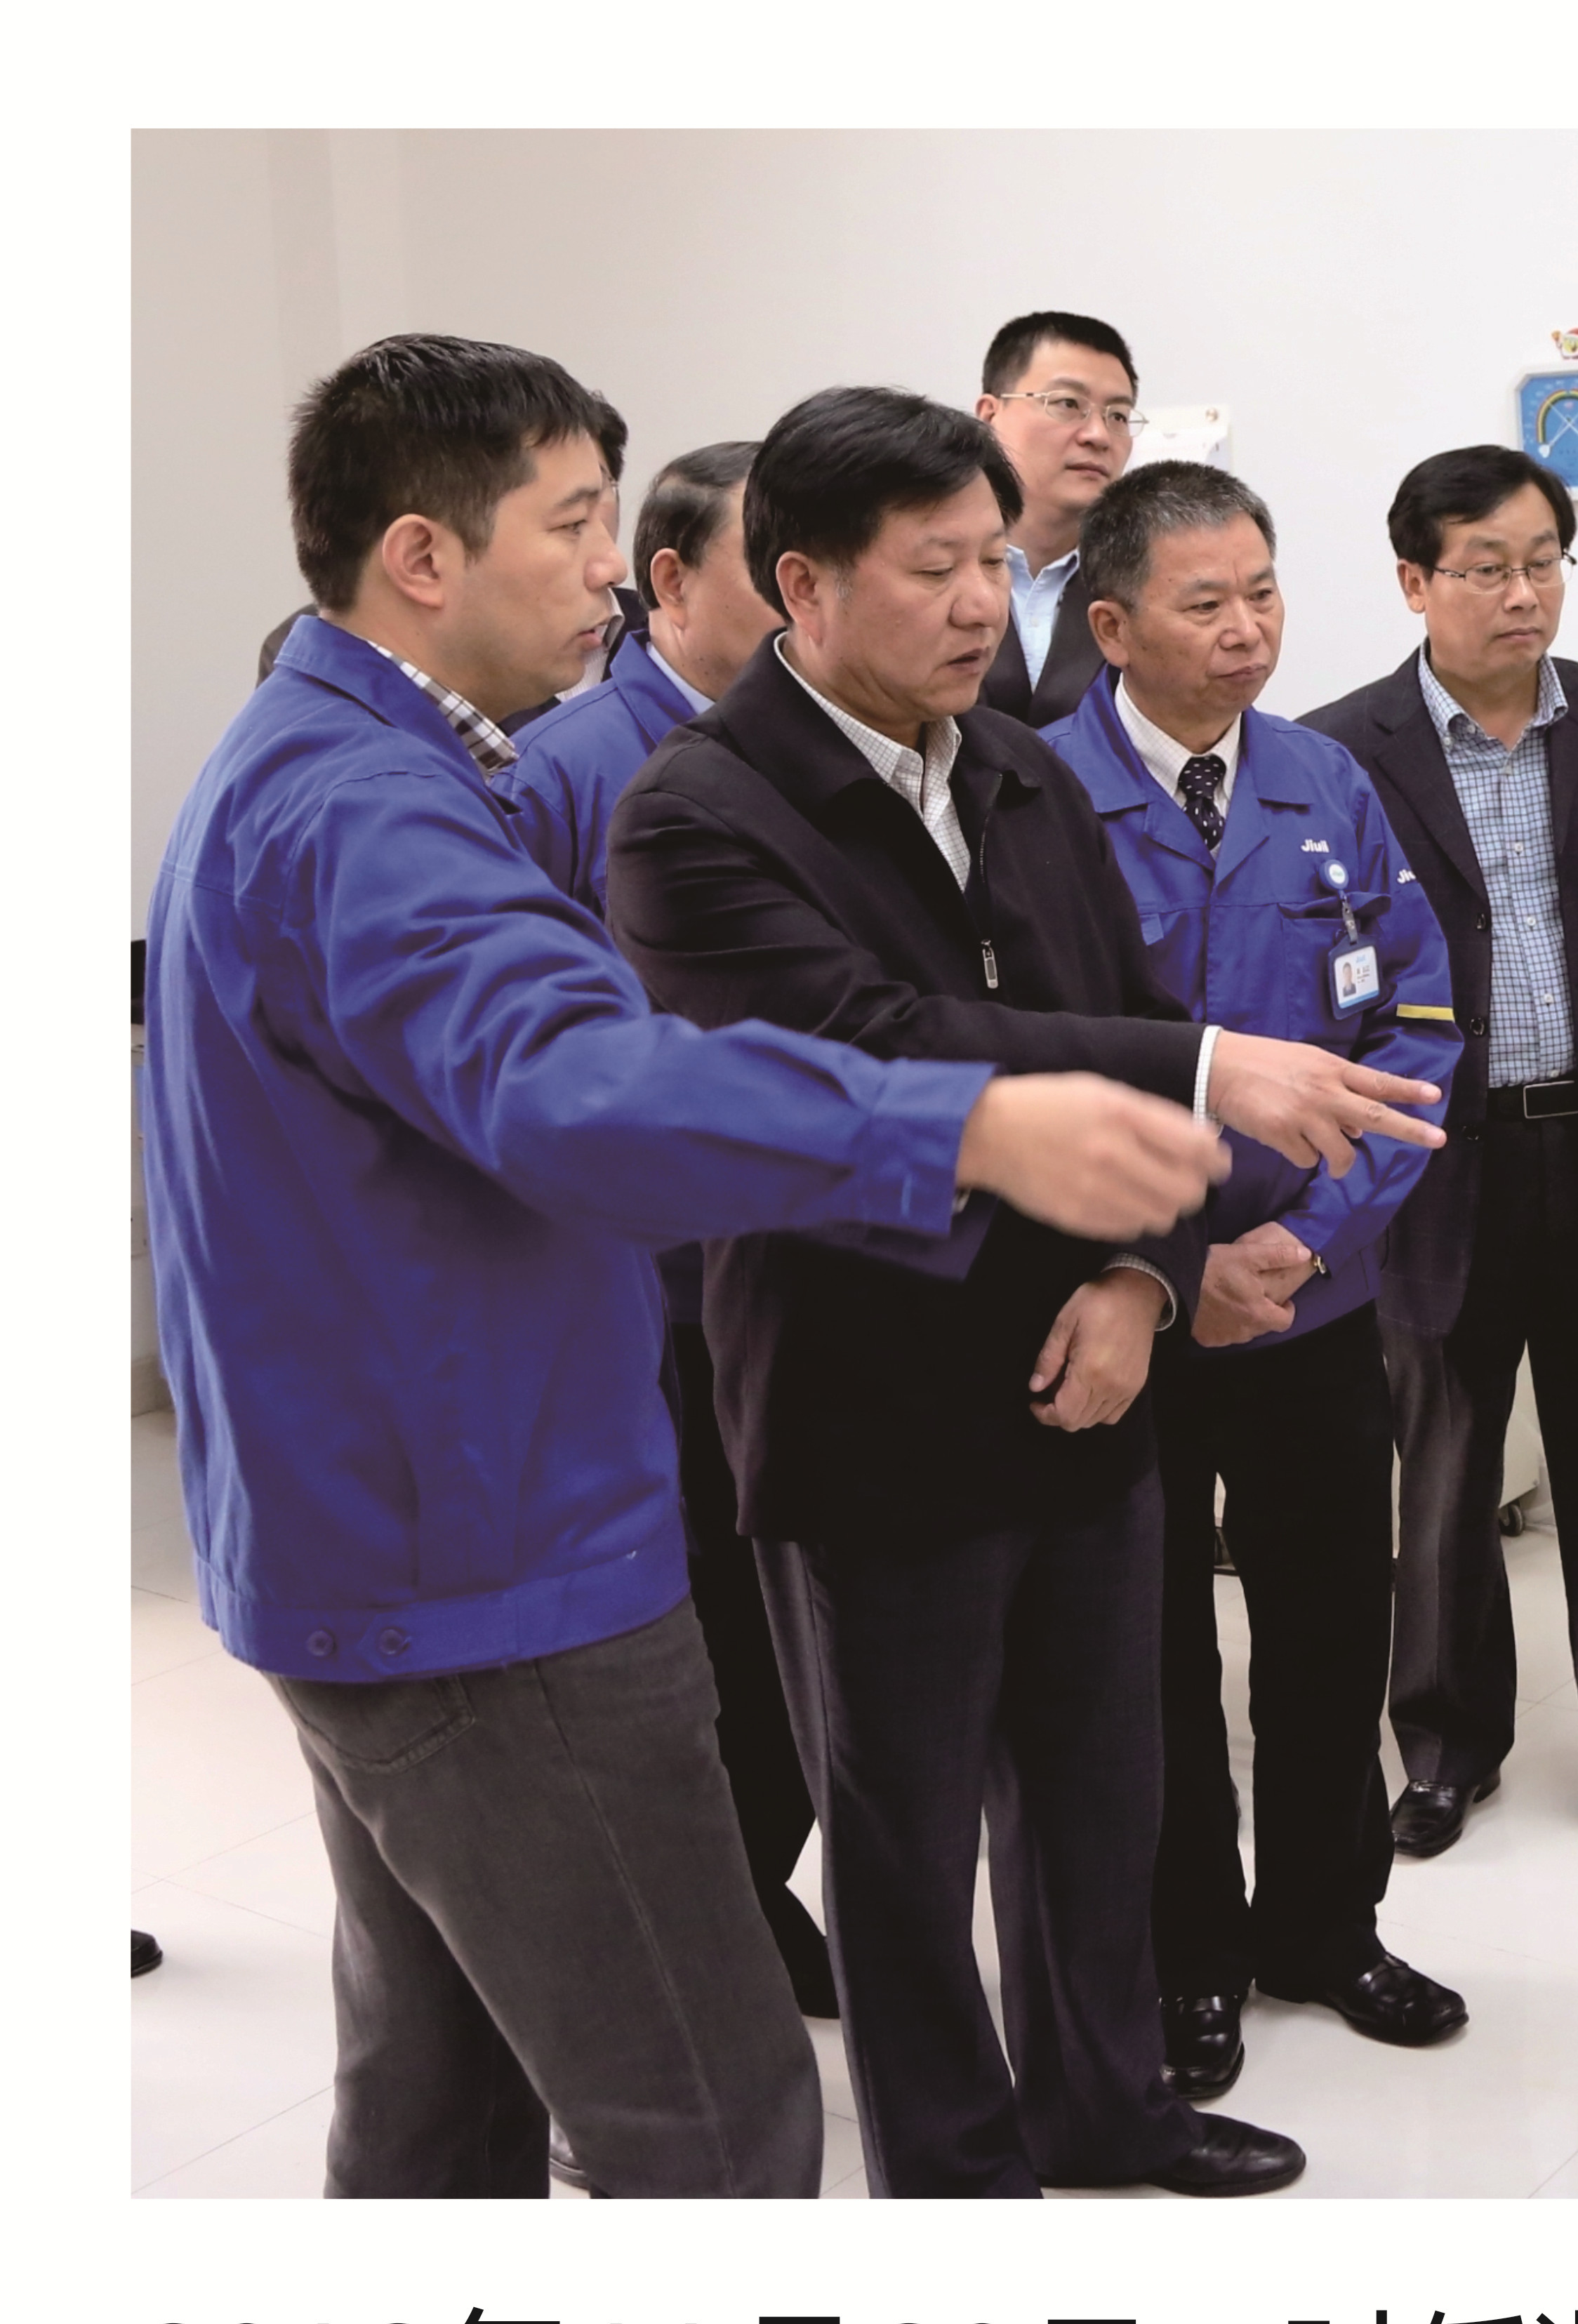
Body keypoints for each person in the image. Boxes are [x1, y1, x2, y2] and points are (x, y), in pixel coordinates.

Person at [142, 333, 1227, 2198]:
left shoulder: (329, 761)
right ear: (424, 555)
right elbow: (576, 1082)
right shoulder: (377, 811)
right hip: (488, 1572)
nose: (615, 570)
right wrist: (956, 1124)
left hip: (382, 1531)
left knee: (441, 2106)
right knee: (716, 2128)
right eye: (573, 526)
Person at [609, 387, 1447, 2198]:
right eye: (936, 567)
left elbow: (1111, 1008)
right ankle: (959, 2169)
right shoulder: (698, 814)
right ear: (803, 584)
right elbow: (881, 1045)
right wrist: (1210, 1063)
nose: (985, 602)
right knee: (905, 1837)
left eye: (994, 559)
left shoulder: (1012, 765)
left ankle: (1105, 2102)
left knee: (1095, 1788)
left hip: (1091, 1368)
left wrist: (1149, 1270)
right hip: (870, 1392)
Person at [1040, 463, 1467, 2102]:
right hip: (1127, 1311)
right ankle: (1186, 1954)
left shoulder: (1322, 779)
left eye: (1265, 592)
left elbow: (1415, 1026)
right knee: (1145, 1655)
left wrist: (1316, 1234)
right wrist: (1170, 1261)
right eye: (1205, 602)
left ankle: (1324, 1925)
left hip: (1310, 1300)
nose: (1246, 630)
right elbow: (1026, 1070)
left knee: (1328, 1627)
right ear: (1111, 625)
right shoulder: (1038, 795)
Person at [1307, 448, 1578, 1879]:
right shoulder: (1339, 747)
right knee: (1442, 1476)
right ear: (1414, 582)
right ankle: (1445, 1750)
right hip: (1437, 1160)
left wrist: (1577, 1052)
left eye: (1544, 561)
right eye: (1487, 567)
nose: (1523, 593)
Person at [507, 440, 833, 2043]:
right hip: (656, 1299)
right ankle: (680, 1963)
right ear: (669, 581)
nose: (796, 592)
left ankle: (747, 1905)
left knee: (785, 1639)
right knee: (687, 1639)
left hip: (799, 1264)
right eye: (766, 562)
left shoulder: (803, 751)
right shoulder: (567, 767)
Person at [971, 311, 1136, 726]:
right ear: (990, 416)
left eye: (1118, 415)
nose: (1098, 435)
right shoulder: (924, 565)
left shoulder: (1140, 579)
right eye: (1068, 404)